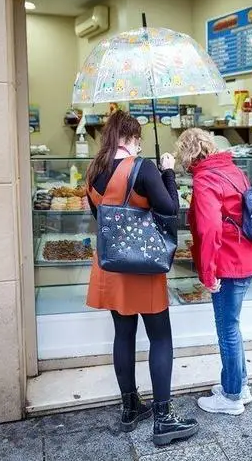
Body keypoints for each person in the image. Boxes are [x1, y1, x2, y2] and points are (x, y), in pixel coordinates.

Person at [85, 110, 198, 446]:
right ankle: (163, 419)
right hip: (143, 266)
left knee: (123, 334)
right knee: (160, 337)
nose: (138, 145)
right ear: (133, 137)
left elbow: (101, 215)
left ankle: (130, 407)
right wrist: (168, 172)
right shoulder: (142, 167)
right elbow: (170, 210)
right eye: (138, 139)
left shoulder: (94, 171)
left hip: (110, 265)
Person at [175, 128, 252, 416]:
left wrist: (208, 273)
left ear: (188, 155)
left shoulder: (205, 179)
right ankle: (239, 385)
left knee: (227, 330)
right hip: (249, 256)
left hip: (230, 262)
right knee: (233, 327)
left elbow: (209, 229)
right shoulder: (232, 169)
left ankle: (231, 397)